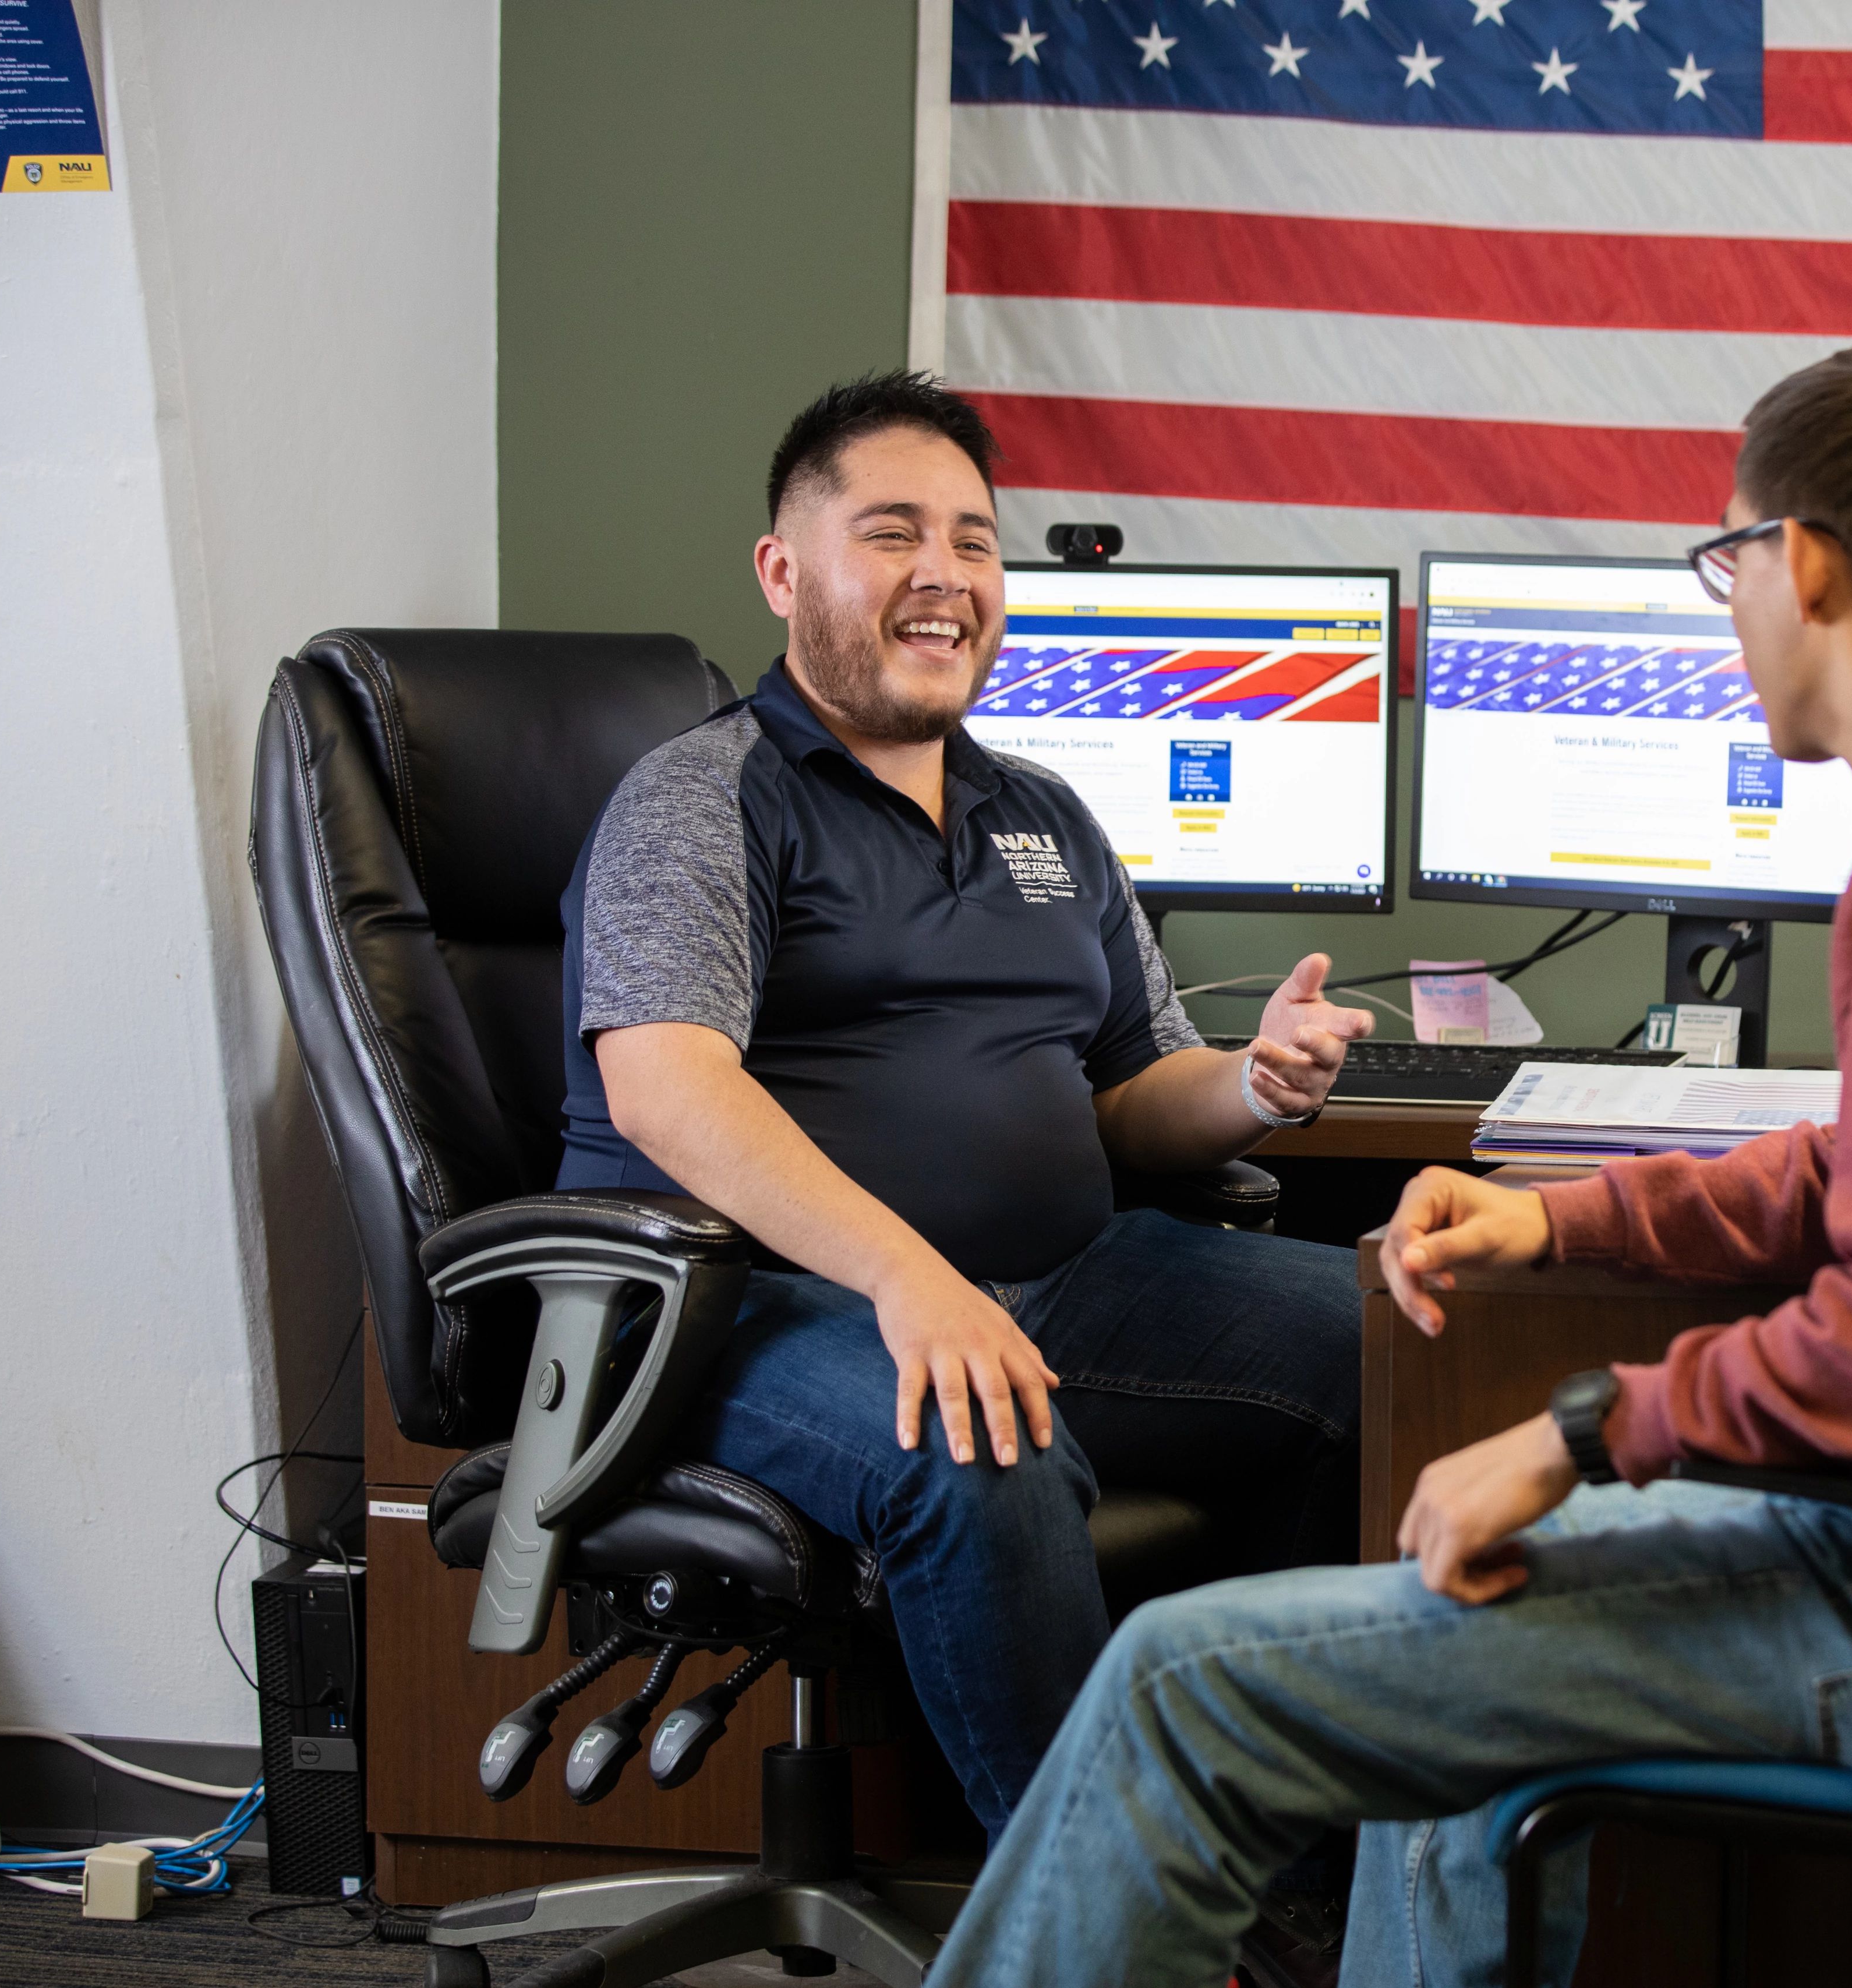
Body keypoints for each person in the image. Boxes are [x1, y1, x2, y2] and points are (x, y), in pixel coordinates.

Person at [923, 340, 1852, 1988]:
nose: (1727, 602)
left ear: (1803, 559)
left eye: (1727, 558)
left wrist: (1580, 1429)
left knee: (1182, 1681)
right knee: (1440, 1606)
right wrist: (1569, 1218)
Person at [553, 370, 1373, 1839]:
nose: (945, 575)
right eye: (892, 533)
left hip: (1065, 1278)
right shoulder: (702, 796)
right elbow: (668, 1091)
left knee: (1405, 1346)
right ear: (784, 570)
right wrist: (909, 1279)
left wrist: (1252, 1087)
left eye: (976, 541)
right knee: (979, 1438)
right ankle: (1100, 1926)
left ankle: (1295, 1862)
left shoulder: (1045, 813)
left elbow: (1132, 1091)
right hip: (757, 1308)